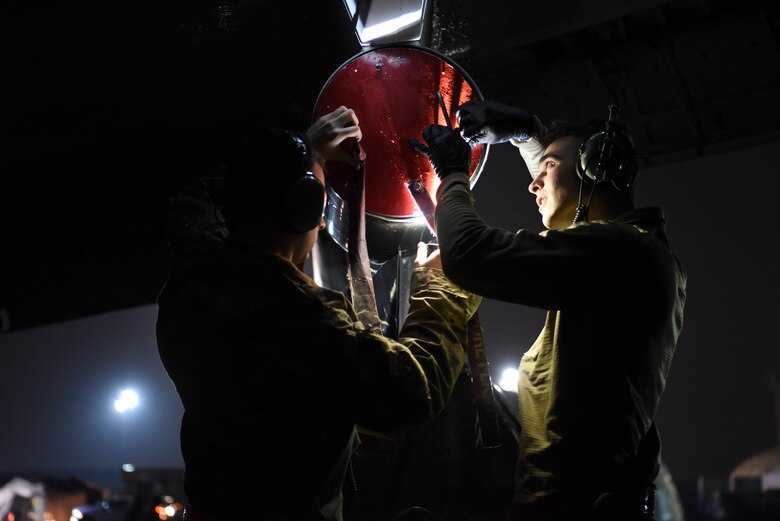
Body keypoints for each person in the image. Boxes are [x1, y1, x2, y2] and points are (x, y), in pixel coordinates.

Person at [155, 106, 481, 521]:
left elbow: (194, 201)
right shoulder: (305, 322)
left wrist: (305, 151)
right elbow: (414, 389)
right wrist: (441, 285)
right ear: (305, 206)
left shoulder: (193, 276)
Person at [410, 100, 687, 520]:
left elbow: (469, 254)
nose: (533, 184)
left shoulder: (619, 255)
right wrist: (530, 134)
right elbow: (571, 188)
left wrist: (452, 175)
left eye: (548, 167)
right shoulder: (638, 252)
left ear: (594, 170)